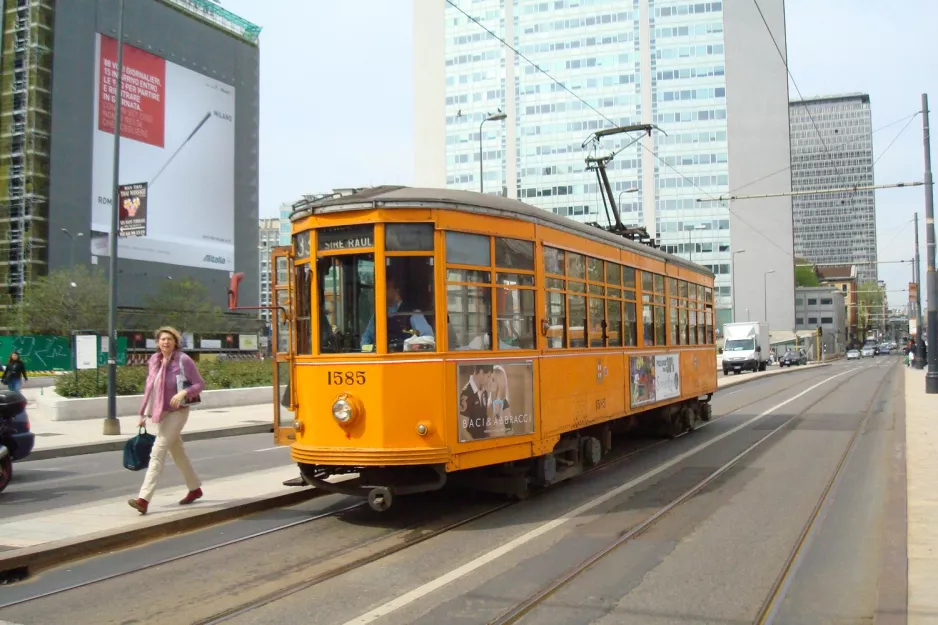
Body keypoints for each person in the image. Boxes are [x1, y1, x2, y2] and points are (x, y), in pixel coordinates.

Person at [128, 327, 204, 515]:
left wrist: (183, 392)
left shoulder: (183, 360)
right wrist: (143, 415)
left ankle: (143, 499)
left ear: (175, 342)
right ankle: (195, 488)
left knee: (158, 451)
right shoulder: (154, 360)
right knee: (177, 453)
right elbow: (150, 388)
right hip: (161, 412)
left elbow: (199, 384)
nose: (166, 342)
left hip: (178, 411)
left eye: (169, 339)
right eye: (162, 339)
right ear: (158, 342)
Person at [360, 278, 433, 350]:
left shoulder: (413, 313)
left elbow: (428, 339)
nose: (382, 291)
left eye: (387, 288)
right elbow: (366, 338)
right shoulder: (378, 314)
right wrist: (370, 350)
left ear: (397, 291)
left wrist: (407, 346)